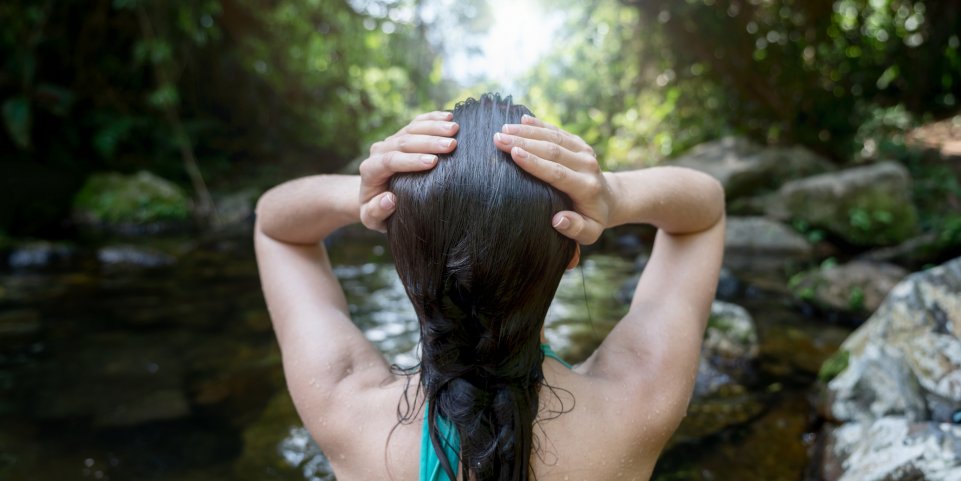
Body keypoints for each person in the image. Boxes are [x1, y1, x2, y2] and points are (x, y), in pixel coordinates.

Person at [254, 93, 725, 481]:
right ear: (572, 255)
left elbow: (274, 223)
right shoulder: (632, 406)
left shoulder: (347, 408)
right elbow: (706, 211)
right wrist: (613, 196)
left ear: (402, 259)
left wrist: (369, 196)